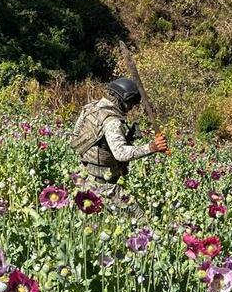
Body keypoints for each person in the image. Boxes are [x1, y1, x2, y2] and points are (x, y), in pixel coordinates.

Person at [71, 78, 168, 214]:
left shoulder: (90, 108)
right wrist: (151, 147)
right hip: (104, 185)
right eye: (131, 103)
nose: (131, 108)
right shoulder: (112, 122)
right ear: (123, 99)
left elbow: (75, 135)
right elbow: (120, 153)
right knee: (138, 217)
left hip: (84, 176)